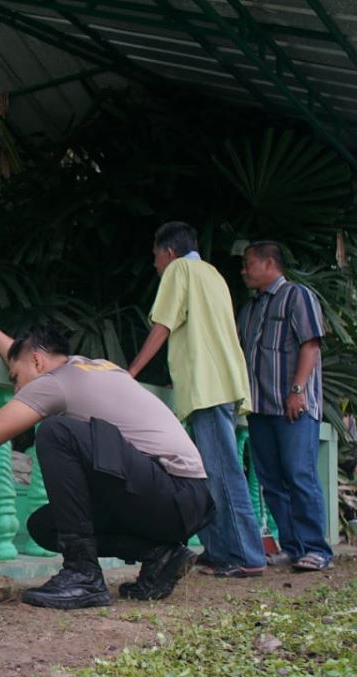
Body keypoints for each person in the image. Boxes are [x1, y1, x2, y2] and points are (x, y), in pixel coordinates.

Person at [0, 319, 214, 609]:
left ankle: (83, 575)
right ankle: (160, 555)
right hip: (183, 501)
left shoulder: (54, 383)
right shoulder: (89, 367)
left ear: (37, 362)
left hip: (171, 493)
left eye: (15, 379)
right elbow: (20, 354)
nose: (17, 391)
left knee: (56, 431)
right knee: (46, 526)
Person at [128, 221, 266, 578]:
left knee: (221, 472)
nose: (156, 265)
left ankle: (247, 556)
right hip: (222, 382)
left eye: (156, 257)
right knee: (209, 473)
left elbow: (163, 325)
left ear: (169, 252)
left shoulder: (179, 270)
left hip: (208, 385)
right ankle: (221, 551)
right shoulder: (213, 274)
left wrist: (130, 373)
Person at [236, 241, 333, 571]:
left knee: (299, 474)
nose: (244, 270)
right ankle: (292, 547)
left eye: (249, 263)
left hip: (293, 405)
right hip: (261, 408)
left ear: (269, 264)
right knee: (272, 480)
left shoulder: (297, 295)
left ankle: (318, 549)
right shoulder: (250, 308)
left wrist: (297, 390)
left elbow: (311, 343)